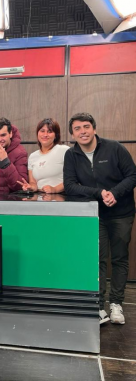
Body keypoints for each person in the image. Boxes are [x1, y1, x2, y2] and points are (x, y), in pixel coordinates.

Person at [64, 113, 136, 325]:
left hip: (121, 212)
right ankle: (98, 305)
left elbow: (132, 175)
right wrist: (99, 192)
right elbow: (70, 185)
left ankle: (116, 303)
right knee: (97, 259)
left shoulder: (114, 148)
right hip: (94, 214)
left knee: (119, 257)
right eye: (77, 128)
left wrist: (114, 193)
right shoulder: (71, 155)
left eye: (86, 127)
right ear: (73, 134)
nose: (83, 131)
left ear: (94, 129)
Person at [18, 118, 69, 193]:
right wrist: (30, 187)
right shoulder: (33, 156)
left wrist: (55, 189)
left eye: (49, 132)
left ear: (56, 135)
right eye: (42, 131)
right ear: (37, 133)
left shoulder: (64, 150)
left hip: (62, 196)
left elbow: (73, 179)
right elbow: (33, 183)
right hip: (40, 197)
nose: (45, 135)